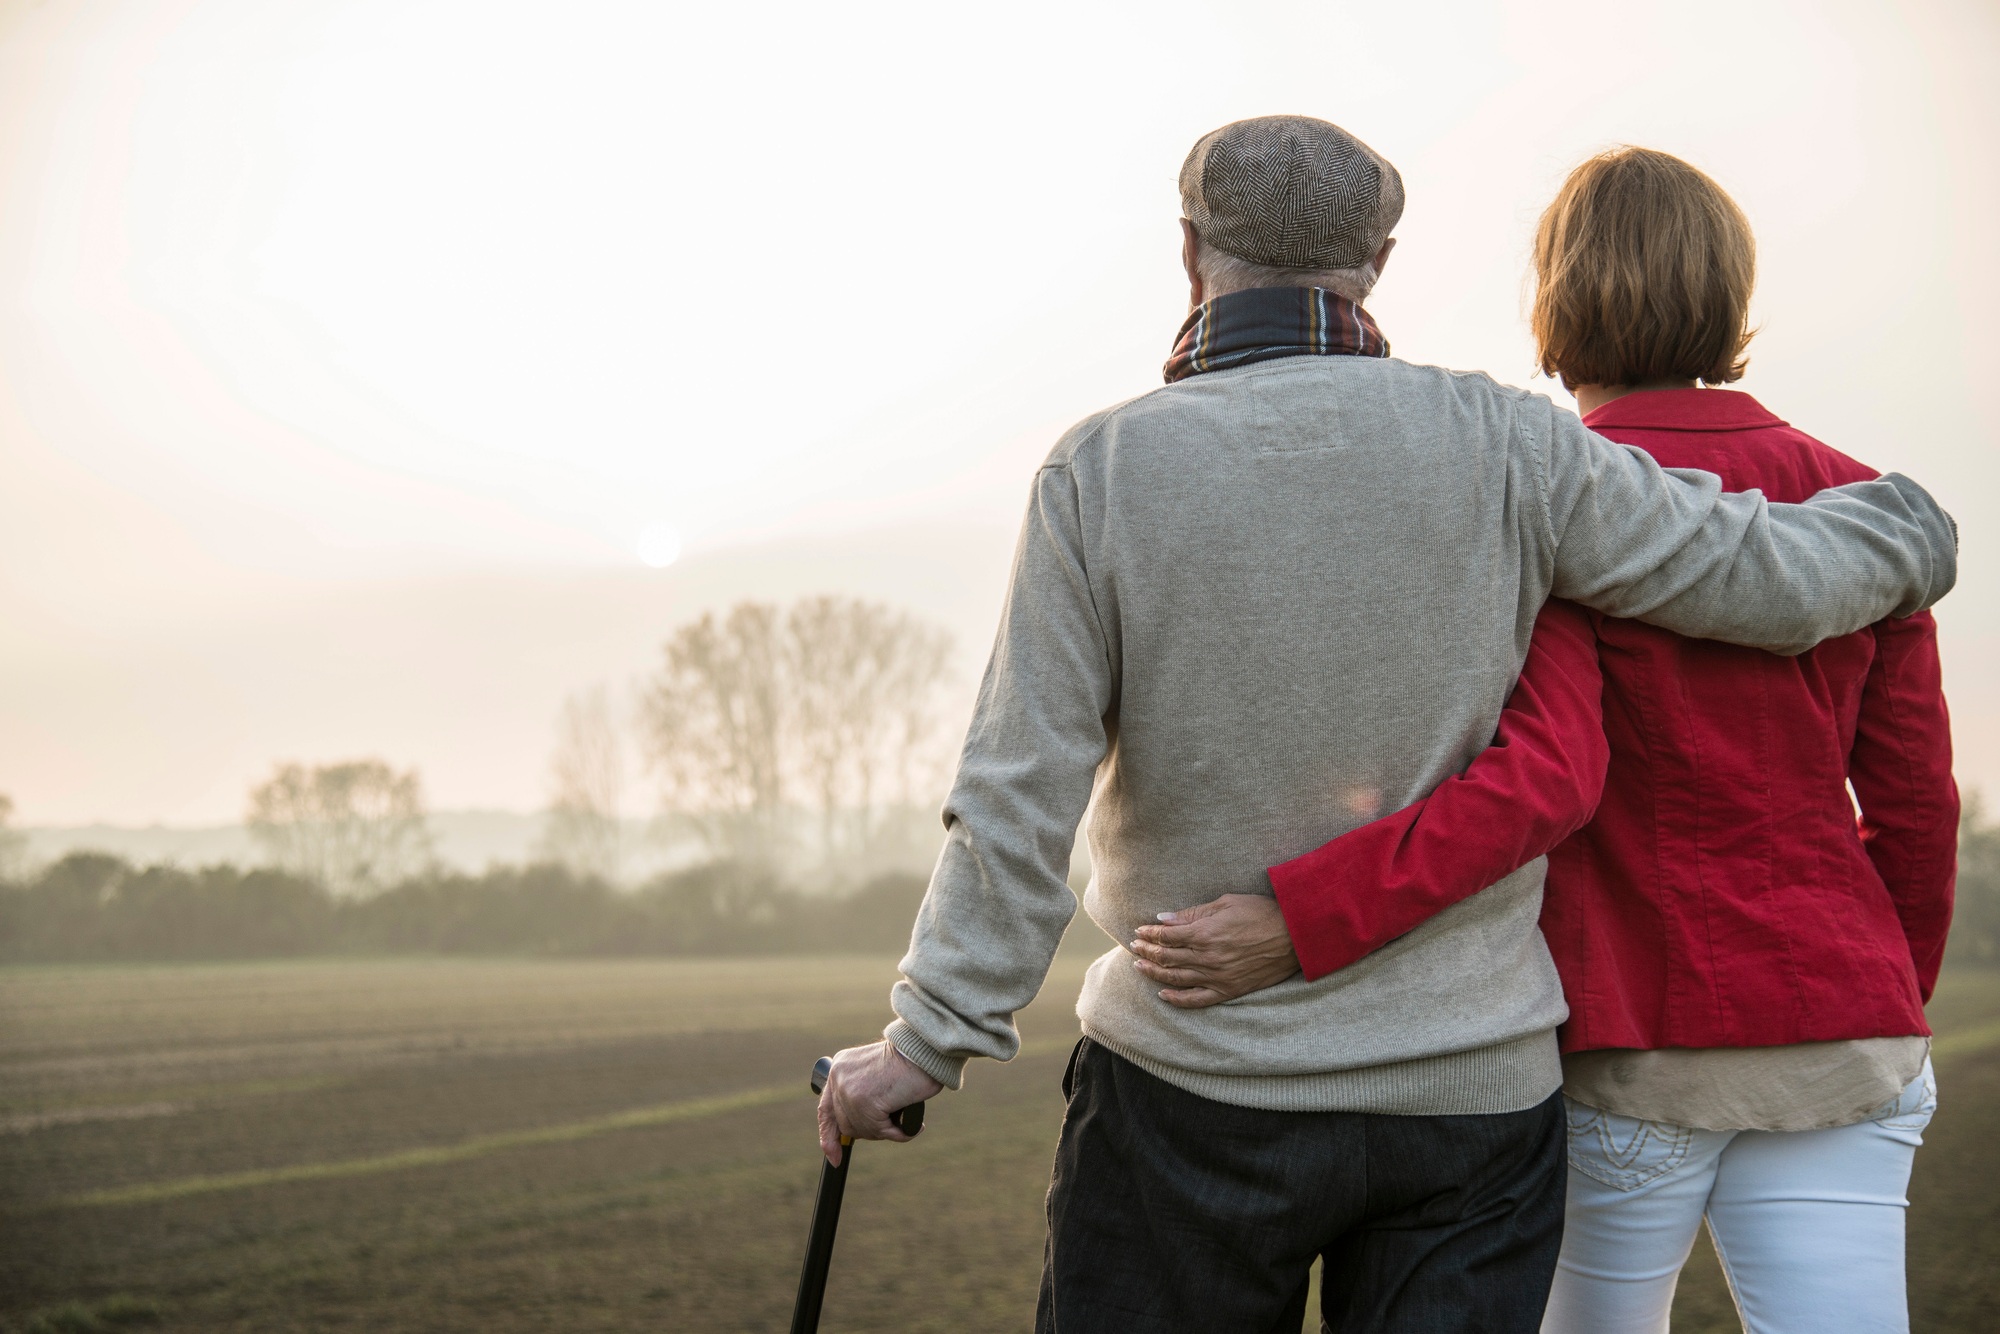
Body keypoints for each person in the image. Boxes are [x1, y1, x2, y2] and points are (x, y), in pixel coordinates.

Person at [815, 117, 1959, 1333]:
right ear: (1381, 257)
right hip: (1470, 1103)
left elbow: (1016, 791)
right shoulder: (1511, 446)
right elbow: (1764, 574)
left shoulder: (1100, 470)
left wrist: (925, 1041)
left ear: (1190, 249)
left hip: (1190, 1090)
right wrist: (1916, 528)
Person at [1153, 148, 1957, 1332]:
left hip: (1620, 1033)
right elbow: (1914, 808)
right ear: (1729, 296)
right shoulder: (1853, 502)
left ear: (1555, 299)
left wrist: (1302, 914)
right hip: (1844, 1027)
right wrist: (1877, 991)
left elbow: (1542, 777)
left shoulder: (1543, 496)